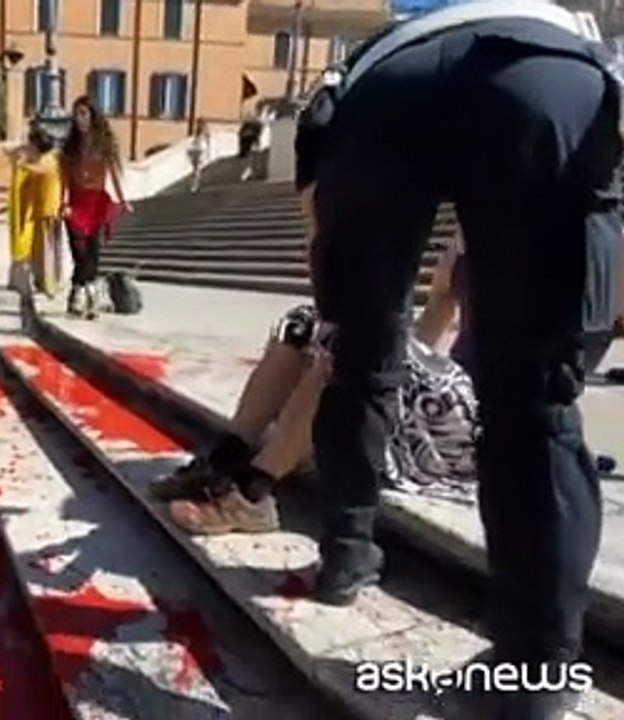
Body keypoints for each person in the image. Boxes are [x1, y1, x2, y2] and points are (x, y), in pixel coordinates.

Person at [294, 3, 622, 716]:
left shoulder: (379, 48)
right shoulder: (564, 31)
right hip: (539, 78)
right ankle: (535, 670)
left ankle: (345, 554)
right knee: (535, 398)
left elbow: (315, 212)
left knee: (358, 358)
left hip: (382, 90)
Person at [157, 234, 481, 534]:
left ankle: (253, 491)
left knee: (353, 340)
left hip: (490, 418)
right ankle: (224, 460)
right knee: (308, 323)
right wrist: (399, 371)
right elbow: (436, 314)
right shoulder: (468, 234)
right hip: (447, 396)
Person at [61, 96, 132, 319]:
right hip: (75, 201)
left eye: (83, 113)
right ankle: (81, 291)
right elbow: (64, 177)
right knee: (78, 251)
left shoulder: (104, 144)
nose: (79, 118)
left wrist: (123, 200)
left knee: (92, 252)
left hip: (96, 202)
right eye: (76, 114)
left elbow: (114, 173)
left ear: (92, 115)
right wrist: (63, 203)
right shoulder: (70, 146)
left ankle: (83, 294)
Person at [5, 120, 62, 298]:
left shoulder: (50, 160)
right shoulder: (46, 159)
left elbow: (38, 170)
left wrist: (21, 162)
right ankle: (41, 281)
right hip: (39, 212)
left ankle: (49, 285)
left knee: (47, 251)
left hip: (48, 212)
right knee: (39, 252)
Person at [188, 118, 212, 194]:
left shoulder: (202, 131)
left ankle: (195, 185)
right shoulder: (200, 131)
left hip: (198, 149)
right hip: (198, 149)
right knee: (196, 169)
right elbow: (206, 141)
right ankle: (195, 185)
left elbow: (205, 140)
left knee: (196, 169)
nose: (198, 124)